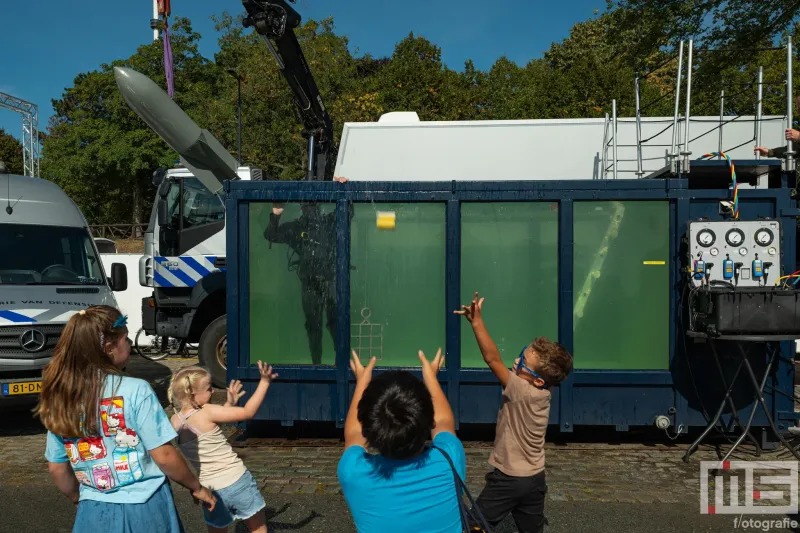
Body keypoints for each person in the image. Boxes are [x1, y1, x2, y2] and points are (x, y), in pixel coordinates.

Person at [35, 305, 216, 533]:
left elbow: (58, 468)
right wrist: (195, 486)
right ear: (109, 348)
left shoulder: (59, 397)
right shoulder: (136, 390)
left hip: (93, 512)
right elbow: (165, 455)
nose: (130, 345)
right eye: (126, 339)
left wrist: (78, 497)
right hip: (145, 508)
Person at [456, 292, 573, 533]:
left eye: (522, 363)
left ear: (539, 381)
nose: (516, 361)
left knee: (473, 525)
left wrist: (476, 322)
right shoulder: (542, 395)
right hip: (535, 478)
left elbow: (491, 359)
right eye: (522, 354)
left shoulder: (523, 390)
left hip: (509, 480)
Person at [337, 349, 466, 533]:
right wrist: (431, 378)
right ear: (430, 422)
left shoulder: (353, 472)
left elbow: (353, 434)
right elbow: (445, 422)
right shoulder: (449, 459)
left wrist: (362, 382)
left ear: (367, 430)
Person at [168, 361, 278, 533]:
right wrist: (264, 382)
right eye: (209, 388)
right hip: (237, 480)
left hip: (210, 489)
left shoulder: (175, 422)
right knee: (258, 528)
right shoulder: (207, 411)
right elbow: (248, 412)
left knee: (217, 530)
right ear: (192, 394)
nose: (212, 391)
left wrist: (229, 404)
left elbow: (207, 430)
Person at [264, 176, 350, 365]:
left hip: (329, 279)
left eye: (312, 203)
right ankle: (317, 363)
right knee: (314, 324)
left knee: (334, 321)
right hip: (310, 283)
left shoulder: (328, 222)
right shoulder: (298, 227)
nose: (310, 208)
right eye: (307, 204)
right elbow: (271, 234)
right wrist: (276, 214)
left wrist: (342, 186)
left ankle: (339, 363)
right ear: (302, 206)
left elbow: (348, 210)